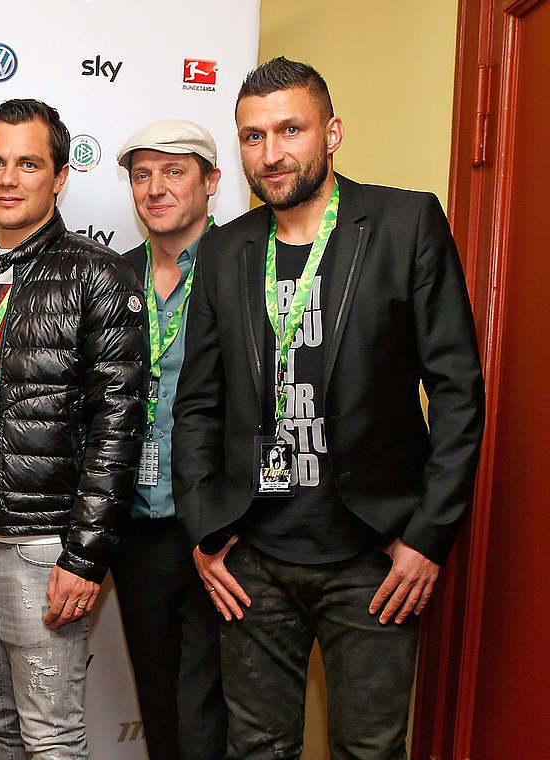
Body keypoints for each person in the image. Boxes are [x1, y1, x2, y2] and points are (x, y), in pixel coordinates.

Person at [173, 57, 485, 759]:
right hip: (251, 557)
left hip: (374, 558)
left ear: (332, 131)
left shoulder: (405, 225)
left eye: (290, 129)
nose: (271, 153)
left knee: (369, 750)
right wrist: (204, 529)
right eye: (252, 136)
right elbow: (196, 404)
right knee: (256, 748)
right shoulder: (225, 251)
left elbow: (459, 393)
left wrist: (428, 537)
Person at [0, 98, 147, 759]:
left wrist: (85, 555)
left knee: (51, 738)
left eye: (28, 163)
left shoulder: (98, 276)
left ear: (60, 177)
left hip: (41, 549)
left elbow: (119, 424)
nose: (8, 178)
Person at [110, 118, 227, 760]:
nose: (156, 189)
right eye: (142, 175)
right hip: (135, 526)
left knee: (211, 709)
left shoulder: (238, 267)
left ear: (211, 182)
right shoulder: (114, 277)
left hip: (215, 527)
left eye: (174, 172)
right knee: (156, 699)